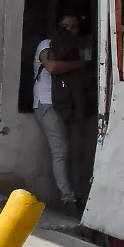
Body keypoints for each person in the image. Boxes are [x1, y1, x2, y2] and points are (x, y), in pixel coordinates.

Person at [33, 14, 84, 216]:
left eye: (74, 27)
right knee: (61, 151)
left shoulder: (73, 50)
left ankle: (74, 195)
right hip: (48, 105)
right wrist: (80, 64)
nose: (69, 31)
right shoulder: (47, 45)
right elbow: (52, 67)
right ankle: (68, 199)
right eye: (65, 26)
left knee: (72, 152)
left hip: (66, 107)